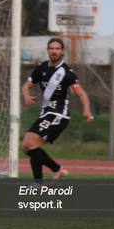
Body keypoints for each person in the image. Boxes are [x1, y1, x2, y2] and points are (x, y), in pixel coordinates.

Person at [21, 37, 93, 185]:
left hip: (59, 115)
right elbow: (26, 86)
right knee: (25, 146)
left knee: (32, 144)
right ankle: (54, 171)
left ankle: (41, 180)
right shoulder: (41, 68)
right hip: (45, 114)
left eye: (57, 49)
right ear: (48, 50)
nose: (54, 51)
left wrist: (87, 110)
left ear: (62, 51)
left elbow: (81, 93)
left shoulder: (66, 72)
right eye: (51, 48)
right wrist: (26, 96)